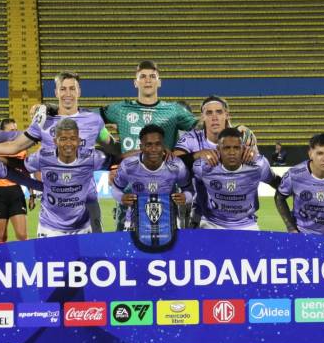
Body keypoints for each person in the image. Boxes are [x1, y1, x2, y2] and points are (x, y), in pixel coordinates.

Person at [0, 71, 113, 232]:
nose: (68, 93)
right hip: (52, 213)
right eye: (63, 89)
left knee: (93, 246)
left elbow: (112, 146)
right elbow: (15, 146)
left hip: (86, 206)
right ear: (56, 92)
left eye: (72, 88)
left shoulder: (93, 120)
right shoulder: (43, 121)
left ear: (79, 91)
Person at [101, 60, 198, 230]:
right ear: (135, 82)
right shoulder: (121, 109)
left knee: (168, 242)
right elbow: (89, 121)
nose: (147, 80)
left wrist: (235, 128)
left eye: (152, 76)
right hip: (129, 194)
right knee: (125, 242)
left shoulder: (174, 111)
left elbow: (203, 130)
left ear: (159, 82)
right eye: (143, 76)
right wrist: (111, 147)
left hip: (165, 193)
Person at [173, 95, 257, 227]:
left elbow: (255, 165)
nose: (214, 117)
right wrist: (197, 155)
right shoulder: (192, 139)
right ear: (202, 117)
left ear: (227, 115)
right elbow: (173, 164)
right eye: (209, 113)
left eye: (219, 112)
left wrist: (251, 152)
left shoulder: (242, 137)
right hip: (200, 215)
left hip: (237, 212)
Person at [24, 118, 112, 237]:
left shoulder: (89, 143)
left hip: (88, 203)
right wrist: (43, 187)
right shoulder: (46, 151)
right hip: (55, 214)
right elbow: (33, 168)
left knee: (95, 240)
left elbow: (111, 152)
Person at [191, 128, 281, 230]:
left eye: (236, 148)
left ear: (243, 148)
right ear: (218, 149)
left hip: (247, 225)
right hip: (211, 223)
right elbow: (186, 176)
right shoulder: (203, 166)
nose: (232, 152)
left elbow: (277, 183)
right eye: (227, 148)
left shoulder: (258, 165)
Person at [111, 124, 192, 231]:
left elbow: (189, 190)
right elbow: (116, 188)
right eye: (148, 145)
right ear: (141, 147)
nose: (154, 149)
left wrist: (185, 197)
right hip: (135, 225)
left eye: (158, 144)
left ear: (163, 146)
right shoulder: (128, 165)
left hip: (167, 225)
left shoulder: (177, 166)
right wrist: (121, 198)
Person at [0, 118, 30, 242]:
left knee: (22, 236)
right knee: (1, 238)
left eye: (16, 130)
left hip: (16, 192)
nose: (15, 132)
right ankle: (2, 255)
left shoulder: (22, 149)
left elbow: (26, 172)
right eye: (11, 130)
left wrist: (32, 194)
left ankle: (25, 254)